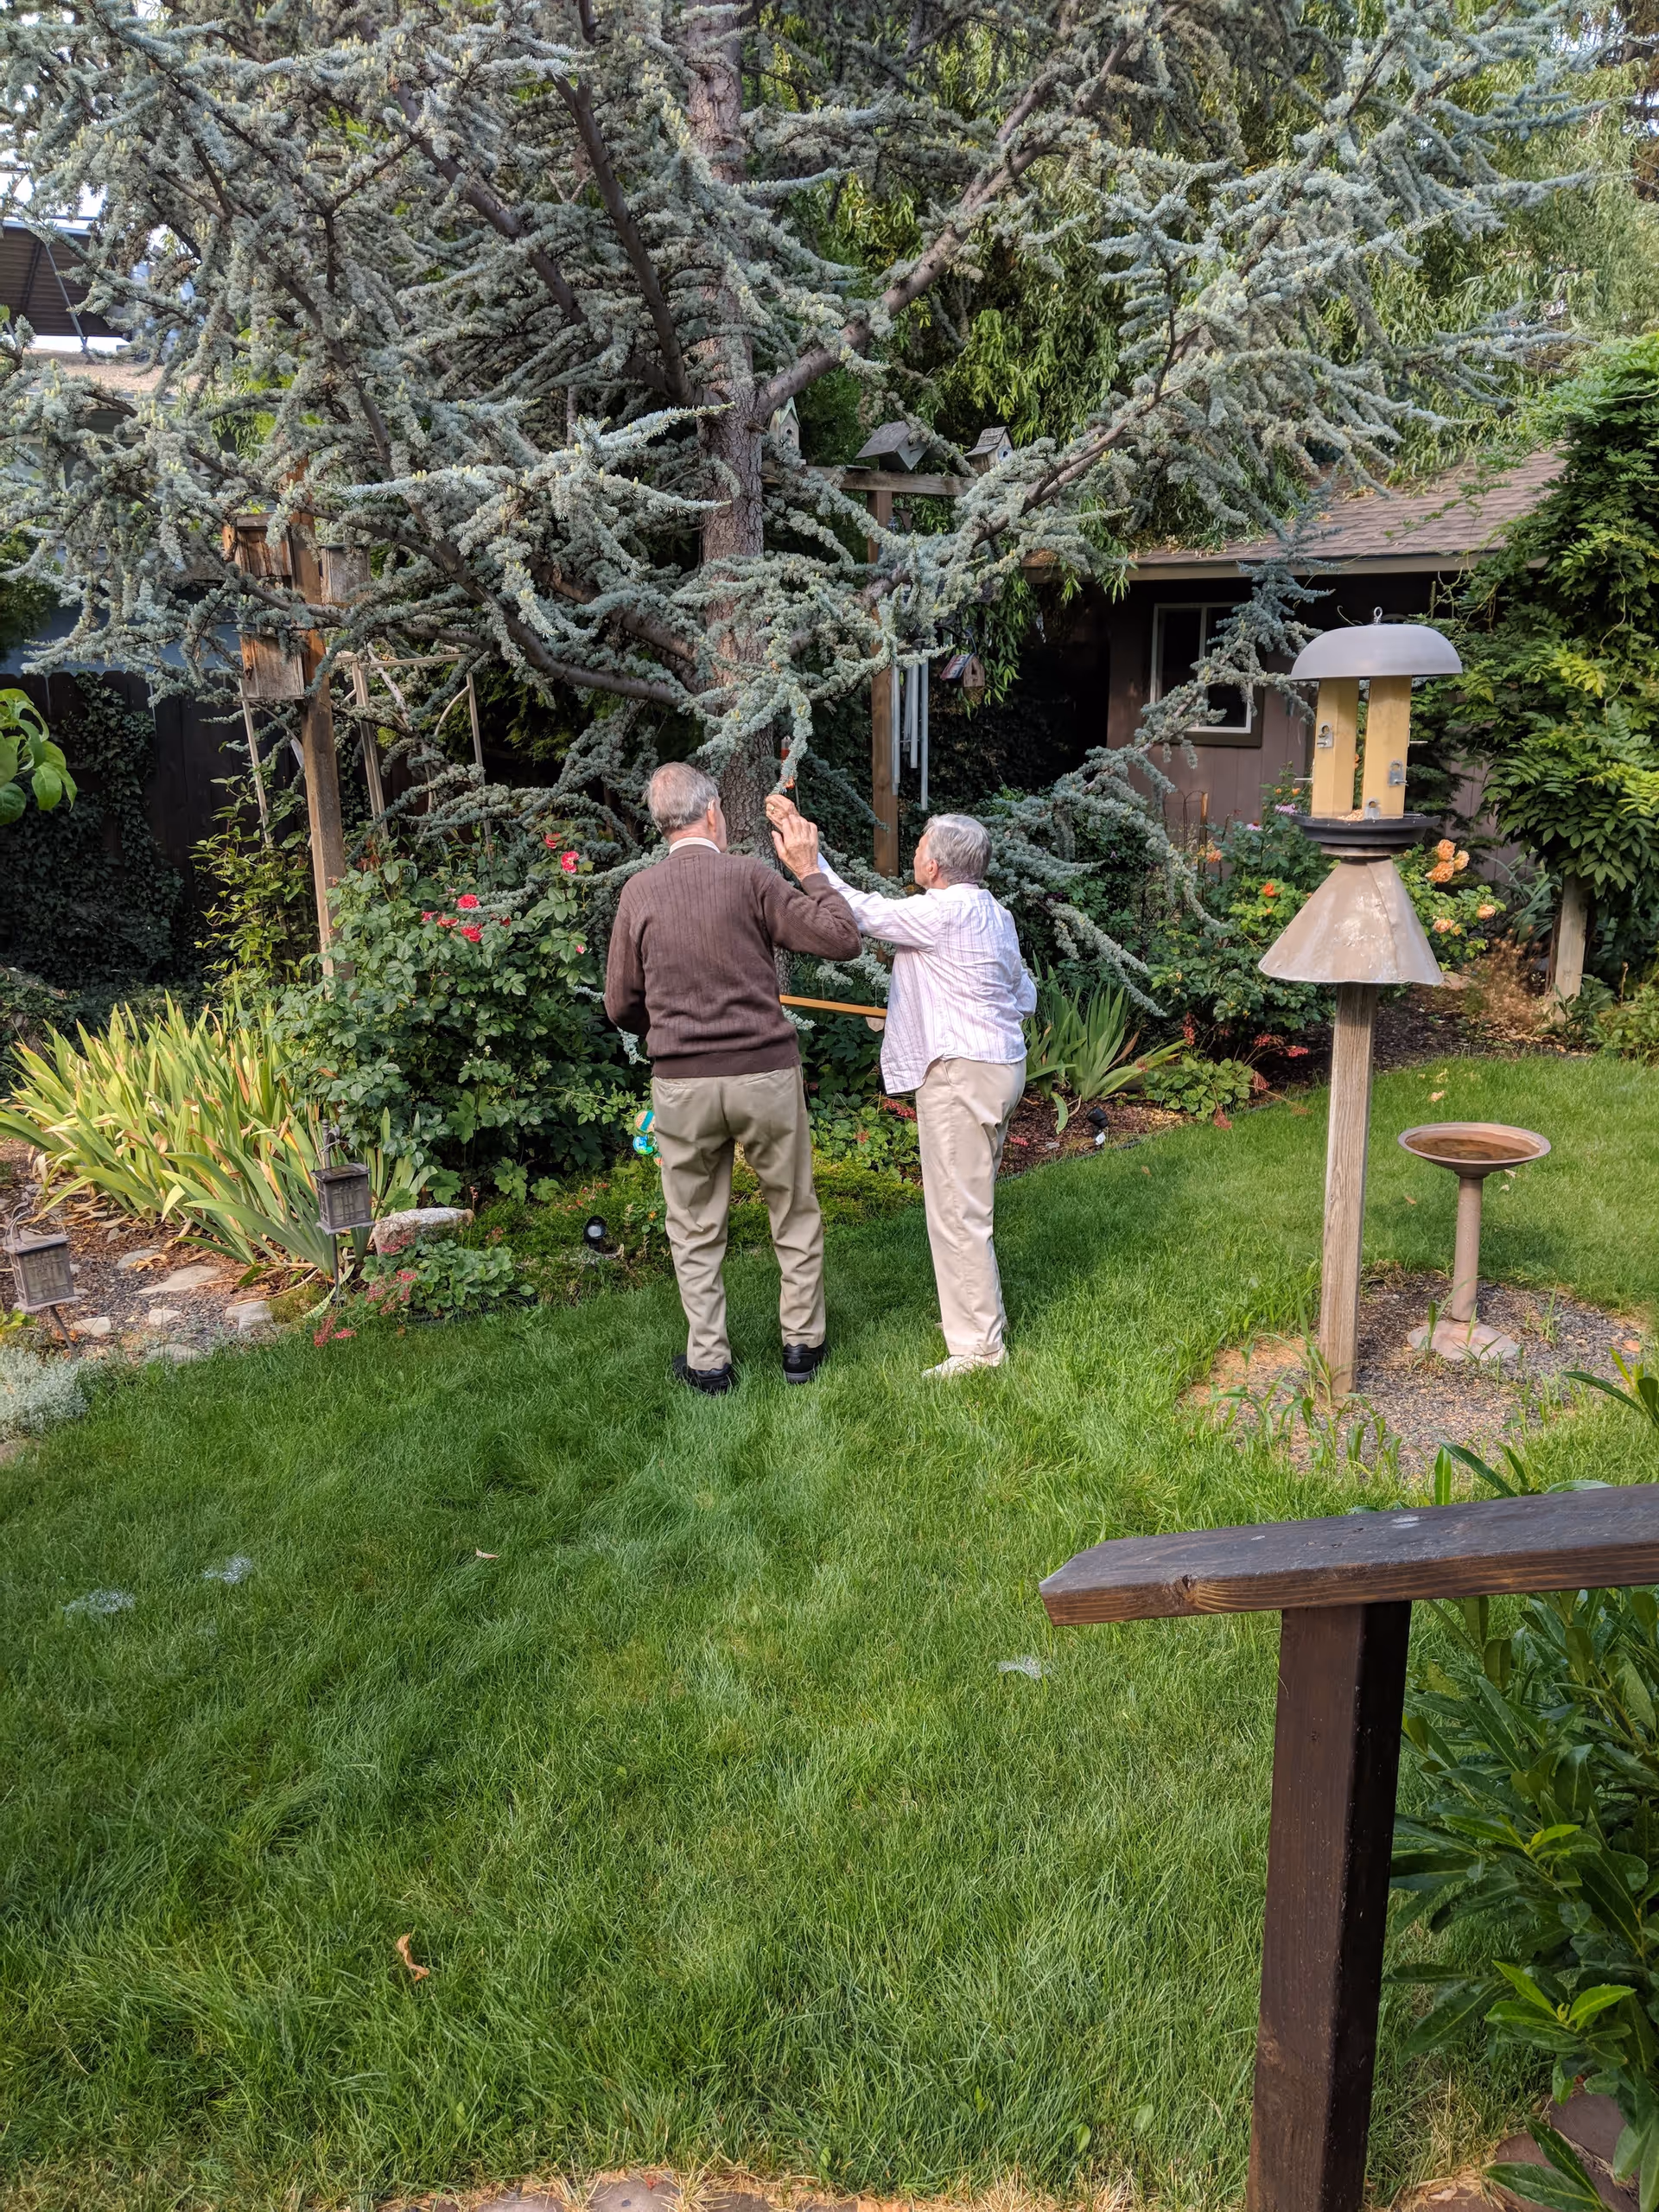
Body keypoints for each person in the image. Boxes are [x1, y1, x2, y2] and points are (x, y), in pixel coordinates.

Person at [605, 762, 861, 1395]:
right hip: (766, 1076)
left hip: (682, 1087)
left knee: (693, 1227)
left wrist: (665, 1035)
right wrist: (808, 869)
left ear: (660, 824)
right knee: (793, 1212)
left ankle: (710, 1364)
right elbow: (841, 938)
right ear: (713, 812)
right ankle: (801, 1351)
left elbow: (619, 1004)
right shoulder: (749, 876)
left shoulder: (639, 892)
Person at [766, 796, 1035, 1378]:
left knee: (957, 1215)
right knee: (971, 1206)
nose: (914, 854)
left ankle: (979, 1351)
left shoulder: (941, 913)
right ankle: (979, 1319)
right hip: (999, 1069)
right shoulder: (994, 914)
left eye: (918, 848)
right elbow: (1023, 995)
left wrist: (809, 865)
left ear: (935, 867)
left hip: (961, 1077)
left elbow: (861, 912)